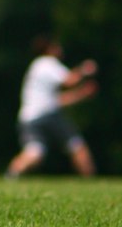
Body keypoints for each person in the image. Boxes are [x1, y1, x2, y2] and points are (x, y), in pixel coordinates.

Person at [6, 37, 98, 178]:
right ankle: (91, 183)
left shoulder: (36, 67)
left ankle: (11, 175)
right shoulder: (47, 63)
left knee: (34, 153)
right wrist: (85, 69)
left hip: (30, 118)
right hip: (47, 116)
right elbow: (70, 80)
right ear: (50, 48)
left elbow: (58, 100)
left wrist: (81, 94)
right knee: (77, 146)